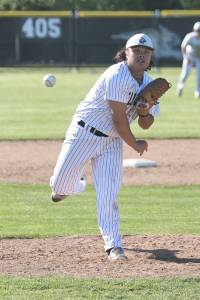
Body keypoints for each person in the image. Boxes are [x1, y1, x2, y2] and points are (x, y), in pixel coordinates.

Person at [50, 33, 160, 261]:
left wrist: (144, 112)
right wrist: (136, 144)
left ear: (151, 57)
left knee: (108, 194)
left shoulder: (151, 84)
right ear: (126, 53)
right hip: (84, 133)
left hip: (111, 142)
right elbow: (118, 120)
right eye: (136, 50)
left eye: (146, 52)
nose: (141, 55)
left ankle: (113, 245)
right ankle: (76, 184)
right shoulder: (117, 74)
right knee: (60, 186)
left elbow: (146, 124)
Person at [177, 21, 200, 98]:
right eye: (197, 31)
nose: (198, 32)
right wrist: (186, 57)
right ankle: (180, 87)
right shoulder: (190, 36)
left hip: (199, 57)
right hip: (189, 56)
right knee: (185, 74)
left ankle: (197, 92)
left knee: (199, 75)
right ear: (194, 30)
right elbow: (183, 46)